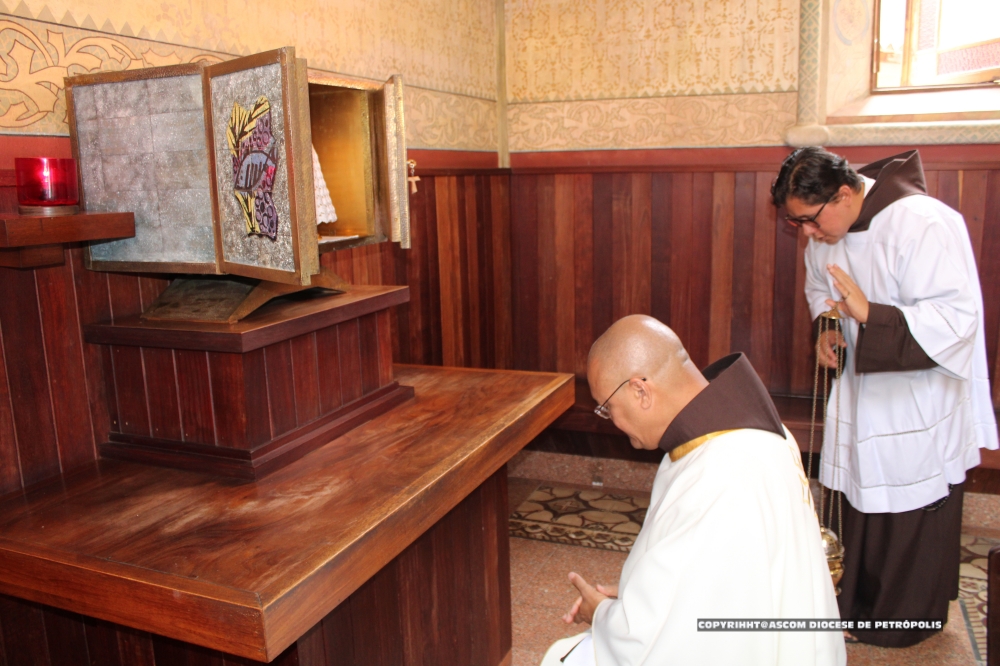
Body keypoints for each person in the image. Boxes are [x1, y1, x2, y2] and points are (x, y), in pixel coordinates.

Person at [770, 147, 999, 647]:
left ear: (843, 194)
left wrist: (873, 315)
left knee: (907, 504)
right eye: (796, 224)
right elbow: (821, 292)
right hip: (861, 392)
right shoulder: (827, 232)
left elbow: (957, 320)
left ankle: (901, 619)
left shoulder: (925, 223)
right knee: (857, 495)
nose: (807, 234)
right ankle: (853, 603)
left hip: (919, 397)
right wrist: (828, 329)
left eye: (810, 220)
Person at [540, 315, 845, 666]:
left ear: (640, 391)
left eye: (607, 408)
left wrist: (602, 614)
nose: (613, 421)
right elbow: (729, 581)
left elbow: (667, 642)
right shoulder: (749, 433)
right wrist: (635, 594)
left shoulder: (718, 471)